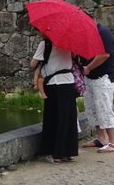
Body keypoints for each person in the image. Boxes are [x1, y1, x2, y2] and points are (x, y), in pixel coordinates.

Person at [30, 34, 79, 162]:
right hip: (68, 81)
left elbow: (33, 63)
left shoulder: (45, 44)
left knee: (54, 117)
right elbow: (74, 57)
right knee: (68, 117)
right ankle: (69, 152)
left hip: (54, 83)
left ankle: (55, 152)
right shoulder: (69, 41)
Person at [81, 23, 114, 153]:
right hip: (90, 77)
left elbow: (105, 54)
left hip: (103, 76)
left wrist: (89, 67)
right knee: (92, 108)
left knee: (104, 108)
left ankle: (113, 142)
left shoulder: (103, 32)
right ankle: (101, 138)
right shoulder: (87, 35)